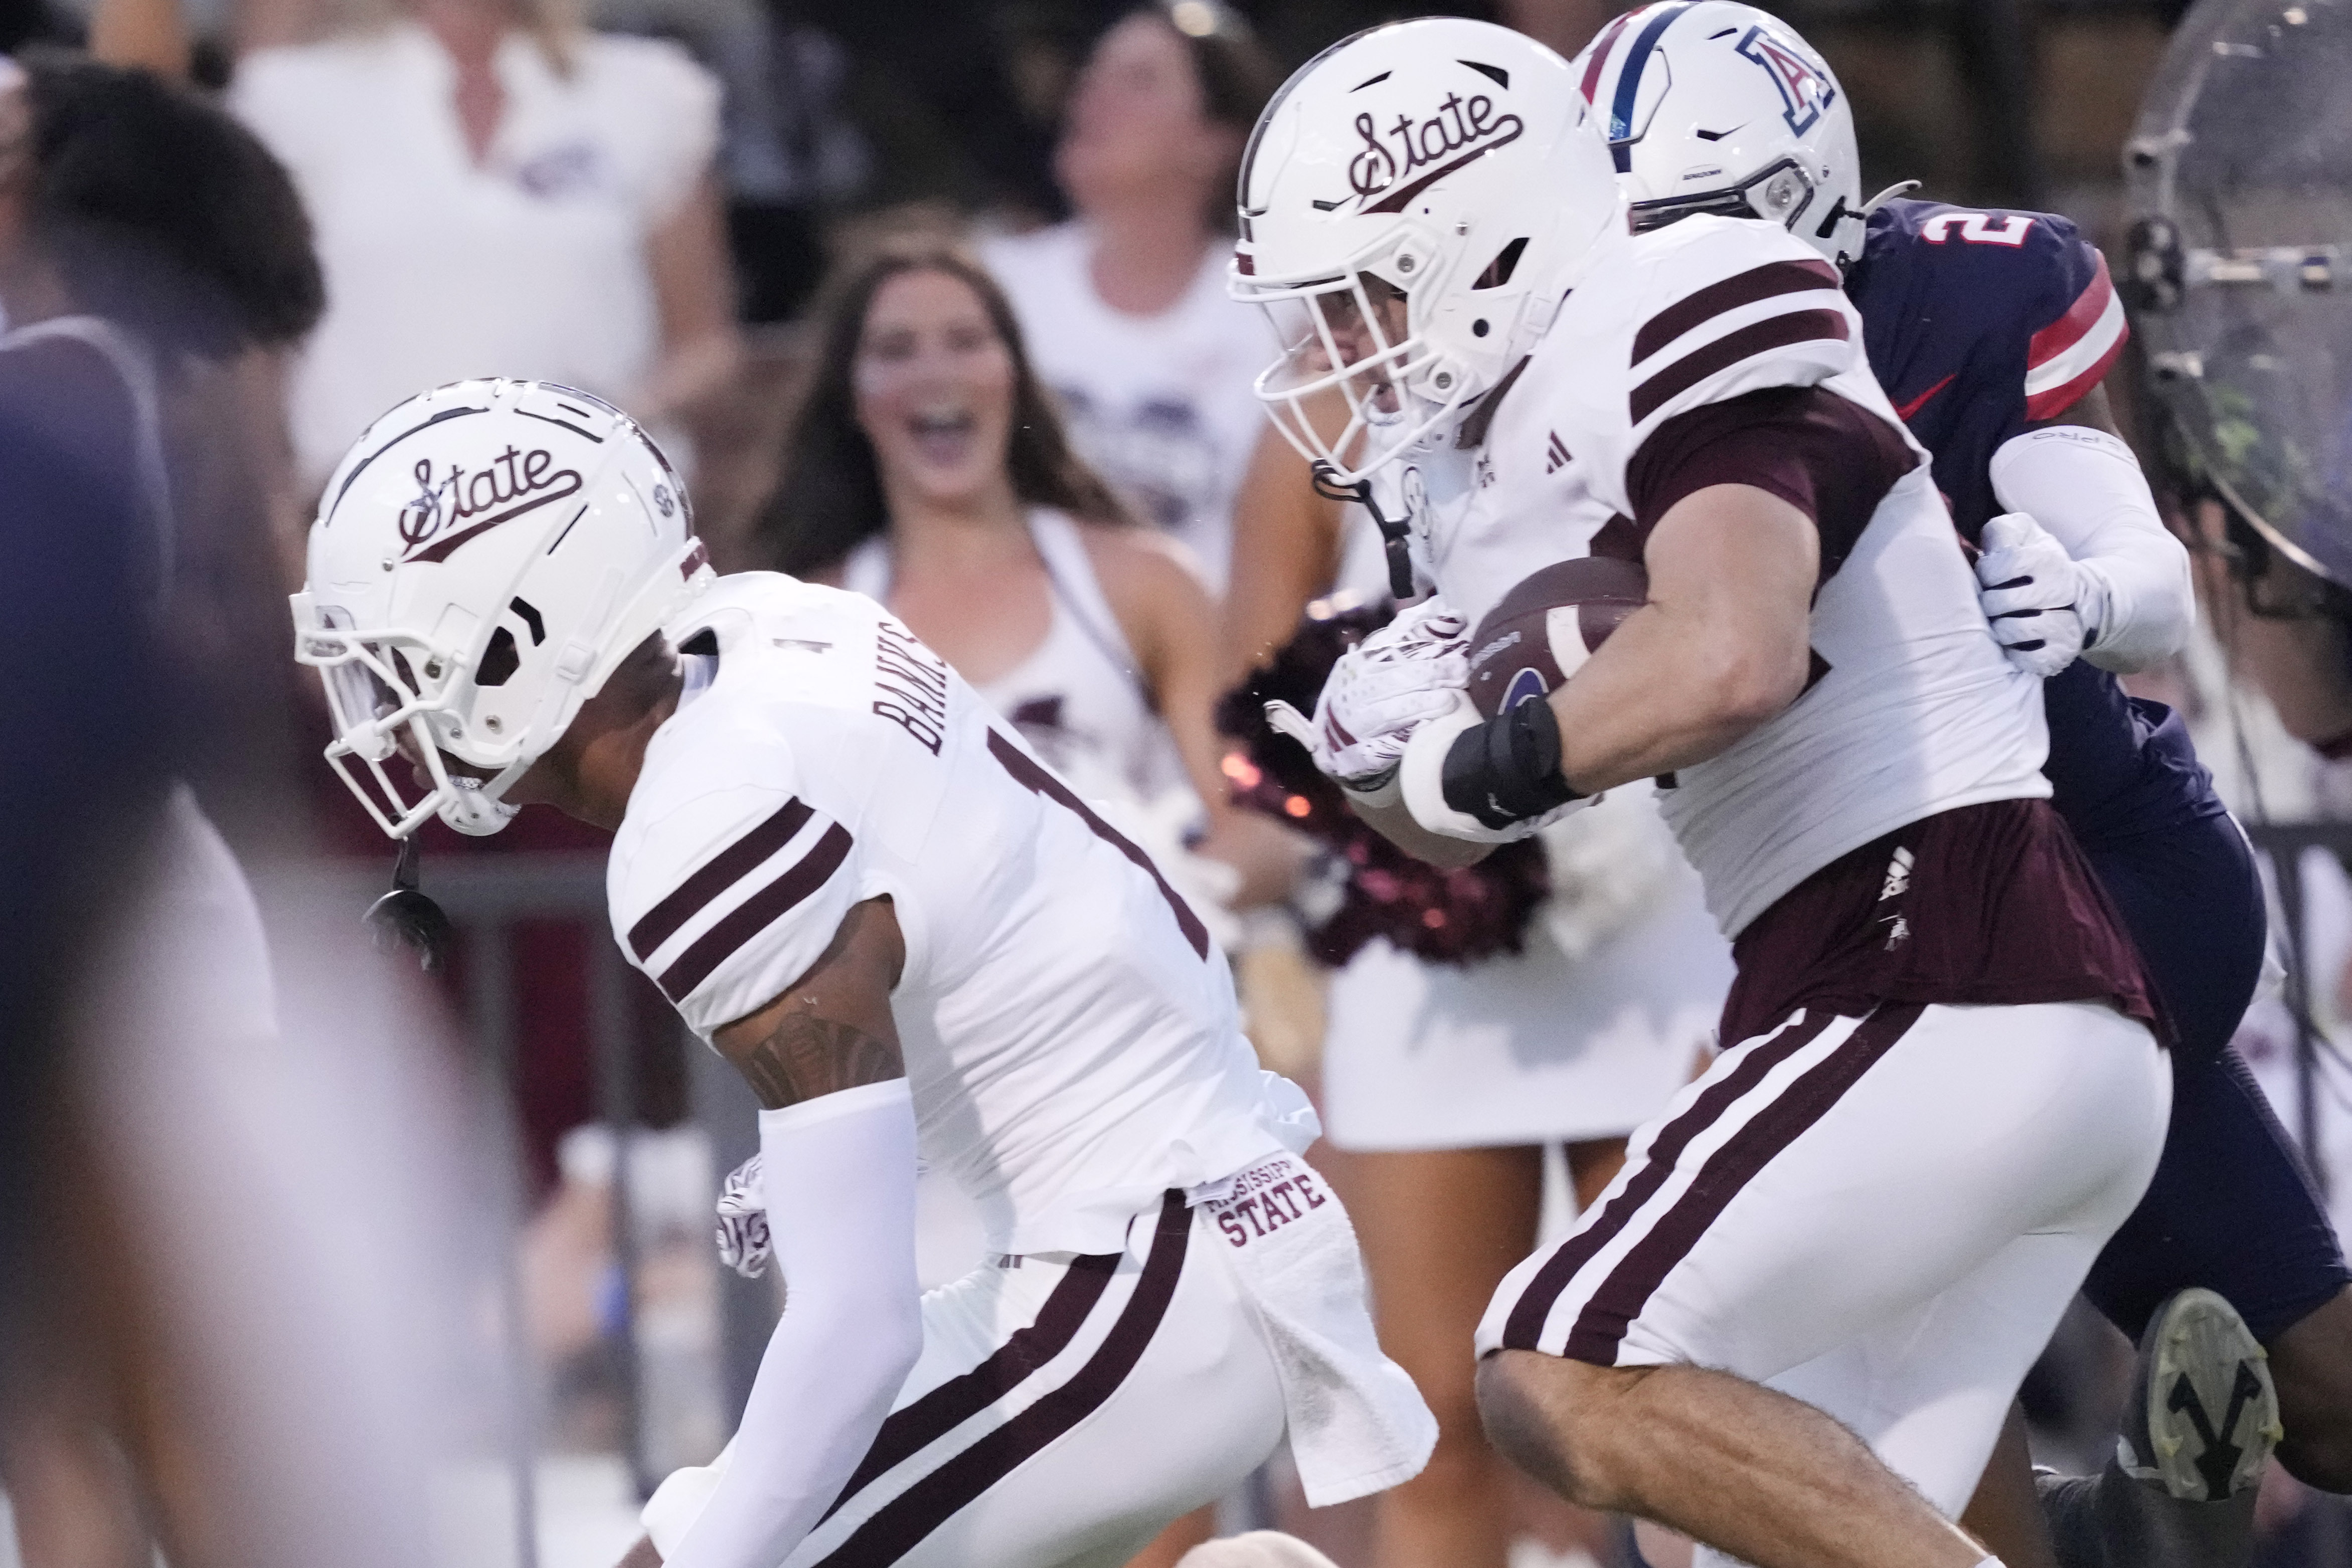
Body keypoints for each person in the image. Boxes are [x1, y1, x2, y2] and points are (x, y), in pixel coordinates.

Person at [1235, 20, 2169, 1568]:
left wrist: (1474, 763)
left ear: (1473, 228)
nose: (1342, 352)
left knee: (1556, 1360)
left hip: (1937, 968)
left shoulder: (1676, 289)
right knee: (1724, 1537)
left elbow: (1732, 650)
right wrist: (1391, 767)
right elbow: (1530, 744)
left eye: (1361, 297)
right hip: (1941, 991)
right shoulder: (1507, 445)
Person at [289, 376, 1436, 1568]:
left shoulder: (704, 818)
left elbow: (855, 1328)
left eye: (400, 659)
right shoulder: (772, 633)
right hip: (1190, 1221)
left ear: (522, 636)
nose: (377, 707)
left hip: (1138, 1280)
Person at [1580, 11, 2345, 1567]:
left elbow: (2128, 551)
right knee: (2313, 1391)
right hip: (1900, 932)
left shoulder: (1959, 297)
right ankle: (2112, 1512)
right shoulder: (1583, 379)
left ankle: (2091, 1516)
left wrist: (2084, 591)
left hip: (2077, 887)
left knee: (1772, 1423)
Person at [1221, 402, 1731, 1568]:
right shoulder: (1314, 410)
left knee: (1679, 1386)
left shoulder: (1616, 356)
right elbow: (1255, 729)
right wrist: (1392, 832)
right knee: (1434, 1416)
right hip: (1422, 963)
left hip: (1652, 935)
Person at [758, 245, 1304, 918]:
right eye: (895, 350)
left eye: (966, 341)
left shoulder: (1144, 583)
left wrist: (1138, 919)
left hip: (1135, 998)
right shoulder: (811, 628)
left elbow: (1262, 827)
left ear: (1014, 371)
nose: (935, 372)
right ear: (851, 397)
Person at [229, 0, 741, 492]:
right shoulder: (288, 99)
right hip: (374, 525)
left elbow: (705, 347)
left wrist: (586, 430)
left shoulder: (647, 92)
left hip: (595, 516)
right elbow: (251, 354)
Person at [976, 3, 1281, 592]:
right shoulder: (994, 289)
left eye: (1139, 81)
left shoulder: (1279, 314)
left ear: (1216, 141)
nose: (1093, 97)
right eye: (1093, 76)